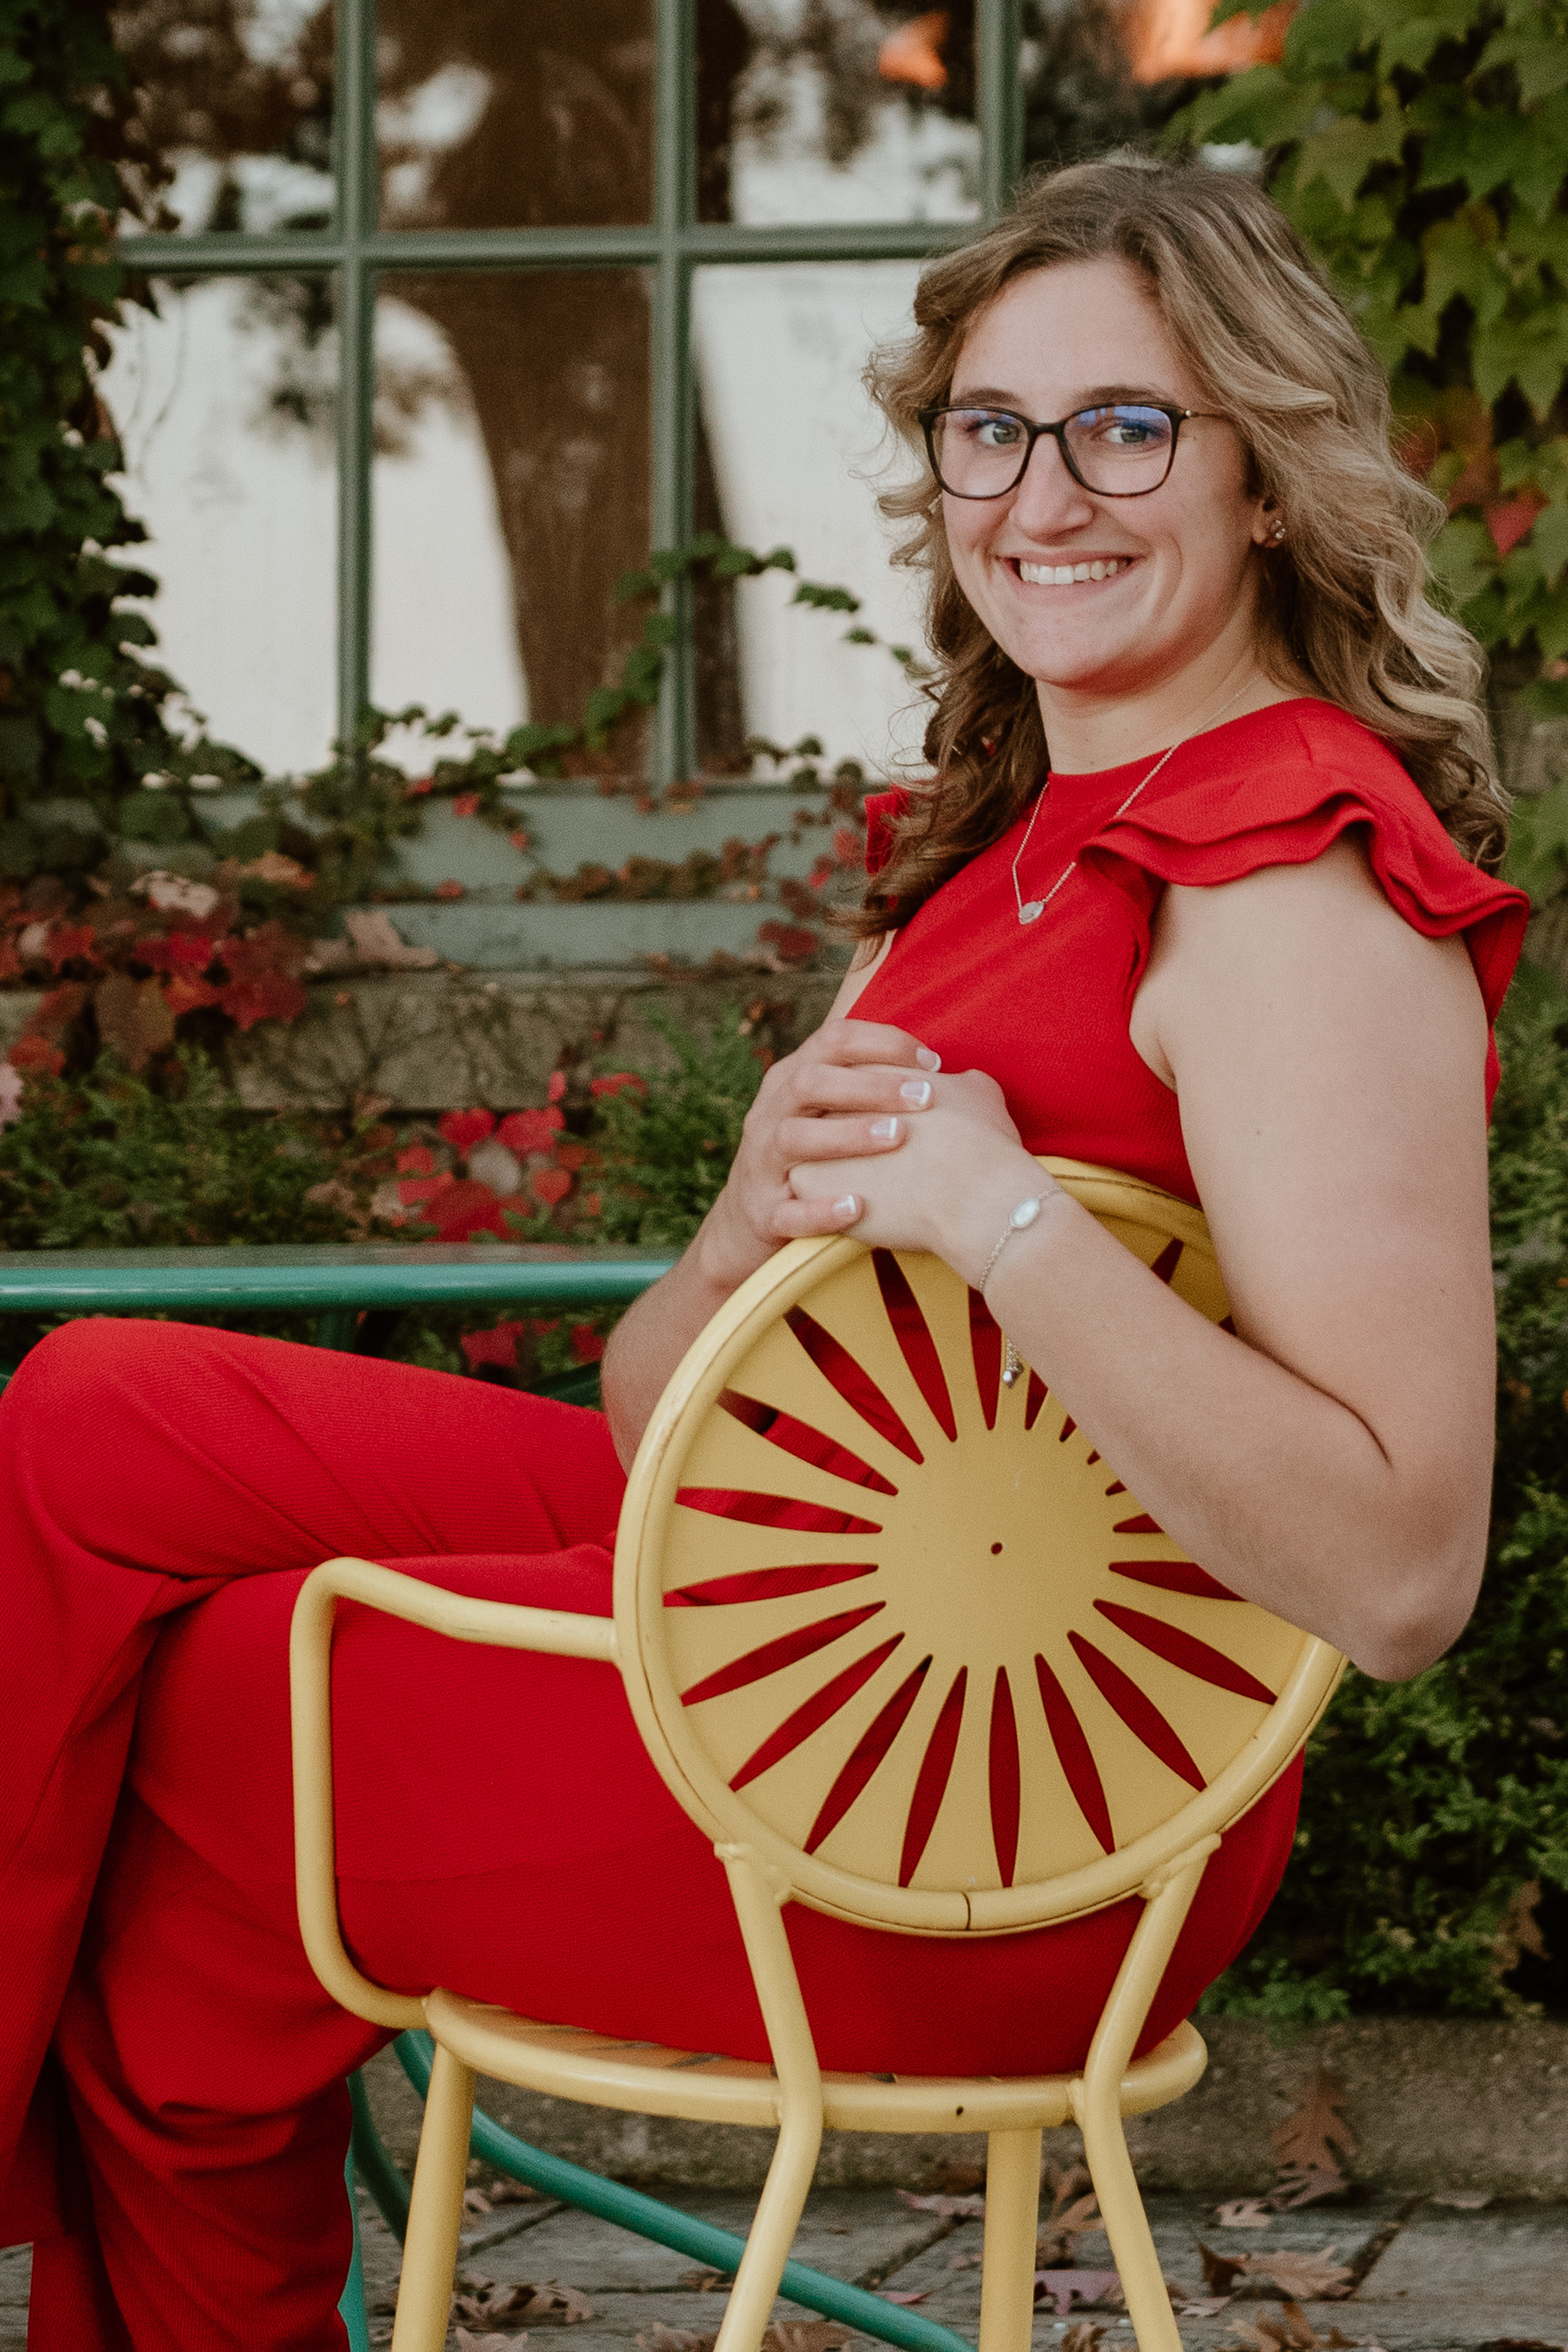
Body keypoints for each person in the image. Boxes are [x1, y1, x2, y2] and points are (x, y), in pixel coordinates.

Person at [0, 157, 1527, 2347]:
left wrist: (998, 1216)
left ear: (1265, 478)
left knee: (232, 1718)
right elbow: (660, 1420)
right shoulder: (997, 875)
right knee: (86, 1415)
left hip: (997, 1799)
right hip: (808, 1624)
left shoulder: (1285, 889)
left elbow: (1396, 1572)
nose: (1039, 493)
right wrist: (740, 1219)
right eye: (985, 430)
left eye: (1123, 427)